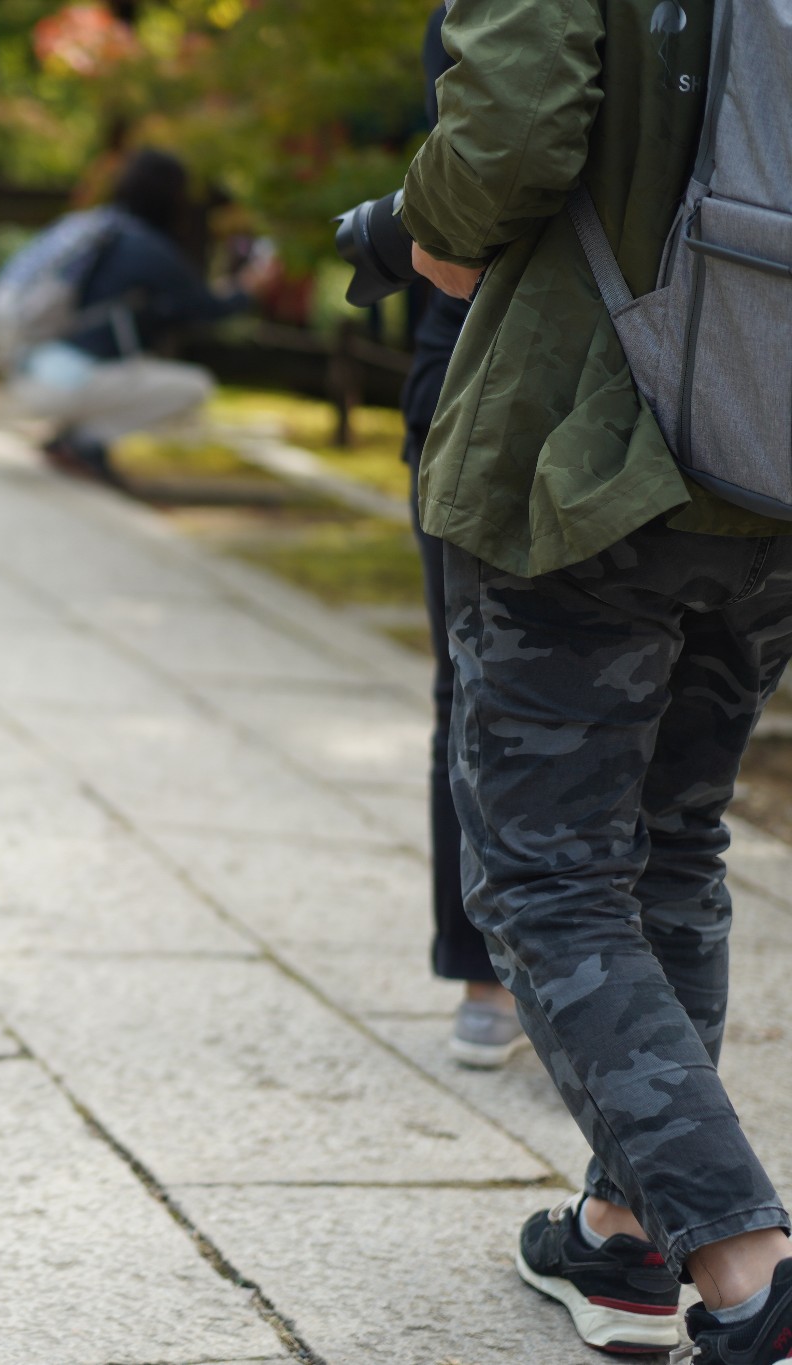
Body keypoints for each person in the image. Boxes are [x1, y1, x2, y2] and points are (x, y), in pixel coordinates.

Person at [404, 0, 792, 1358]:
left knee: (552, 873)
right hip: (774, 448)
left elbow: (510, 129)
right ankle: (630, 1236)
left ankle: (748, 1270)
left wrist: (428, 225)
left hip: (599, 437)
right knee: (673, 845)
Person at [398, 7, 522, 1071]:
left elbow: (457, 227)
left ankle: (494, 979)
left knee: (472, 685)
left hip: (488, 357)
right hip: (696, 365)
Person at [7, 149, 263, 485]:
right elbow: (207, 308)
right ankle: (86, 441)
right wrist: (250, 287)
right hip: (66, 382)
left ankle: (71, 438)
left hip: (32, 368)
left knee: (111, 364)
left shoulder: (97, 227)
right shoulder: (146, 247)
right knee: (194, 386)